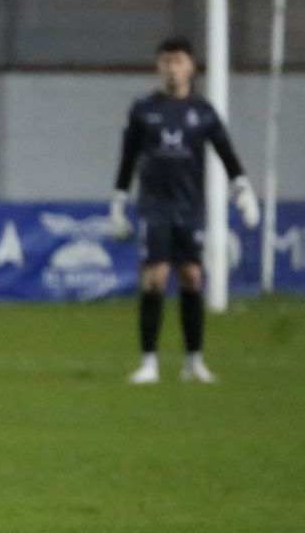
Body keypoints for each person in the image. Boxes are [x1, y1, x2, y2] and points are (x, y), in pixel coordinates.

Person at [110, 36, 259, 385]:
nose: (172, 67)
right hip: (154, 206)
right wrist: (117, 204)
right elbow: (128, 159)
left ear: (191, 66)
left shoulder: (203, 112)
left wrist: (244, 192)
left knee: (192, 276)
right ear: (158, 66)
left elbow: (226, 154)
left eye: (178, 61)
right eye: (166, 61)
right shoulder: (143, 109)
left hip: (190, 207)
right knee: (155, 278)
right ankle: (149, 362)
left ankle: (194, 361)